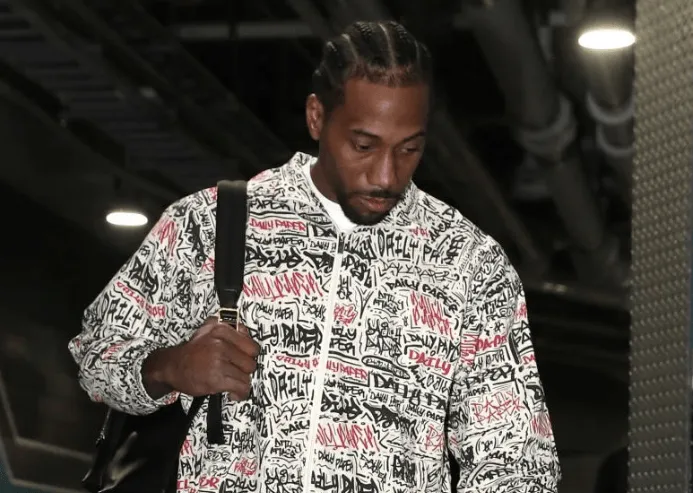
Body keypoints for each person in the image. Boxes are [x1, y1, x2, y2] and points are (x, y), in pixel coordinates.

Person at [69, 20, 561, 493]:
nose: (386, 176)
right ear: (316, 117)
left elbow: (517, 460)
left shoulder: (468, 262)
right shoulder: (211, 224)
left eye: (409, 149)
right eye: (364, 145)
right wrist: (168, 367)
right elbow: (95, 354)